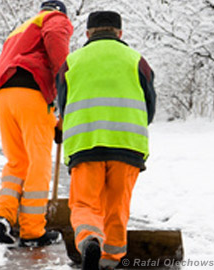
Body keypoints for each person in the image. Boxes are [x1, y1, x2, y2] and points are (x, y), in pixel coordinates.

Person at [55, 11, 156, 270]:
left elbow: (64, 105)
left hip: (85, 144)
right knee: (117, 206)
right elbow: (150, 107)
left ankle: (90, 239)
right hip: (128, 145)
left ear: (88, 34)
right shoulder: (137, 61)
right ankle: (110, 260)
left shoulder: (71, 62)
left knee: (86, 203)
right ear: (120, 33)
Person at [0, 0, 73, 247]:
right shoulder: (54, 20)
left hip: (3, 94)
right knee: (38, 162)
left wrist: (54, 119)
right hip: (30, 93)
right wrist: (66, 84)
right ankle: (32, 230)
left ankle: (4, 215)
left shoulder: (22, 28)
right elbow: (58, 54)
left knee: (17, 161)